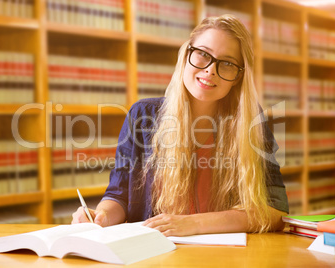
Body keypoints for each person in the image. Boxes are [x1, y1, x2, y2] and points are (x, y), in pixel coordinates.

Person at [72, 14, 289, 236]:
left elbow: (276, 210)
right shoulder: (143, 116)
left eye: (226, 63)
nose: (210, 70)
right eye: (203, 54)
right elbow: (119, 196)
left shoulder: (250, 122)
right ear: (186, 55)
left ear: (239, 77)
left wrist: (193, 224)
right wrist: (102, 217)